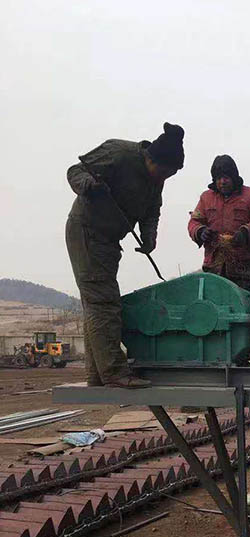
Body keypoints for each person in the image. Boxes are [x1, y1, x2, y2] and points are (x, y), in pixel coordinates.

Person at [66, 122, 185, 389]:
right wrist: (89, 185)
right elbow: (75, 171)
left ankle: (97, 374)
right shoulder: (119, 153)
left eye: (170, 175)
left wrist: (149, 237)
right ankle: (114, 373)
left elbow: (152, 211)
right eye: (163, 172)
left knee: (98, 304)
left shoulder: (156, 181)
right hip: (87, 232)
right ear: (150, 158)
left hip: (110, 240)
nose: (164, 179)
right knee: (103, 303)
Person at [187, 155, 250, 294]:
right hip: (214, 269)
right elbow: (194, 222)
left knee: (243, 304)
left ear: (234, 177)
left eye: (226, 177)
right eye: (218, 178)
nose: (222, 182)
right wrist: (200, 231)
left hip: (245, 270)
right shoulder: (206, 198)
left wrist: (246, 232)